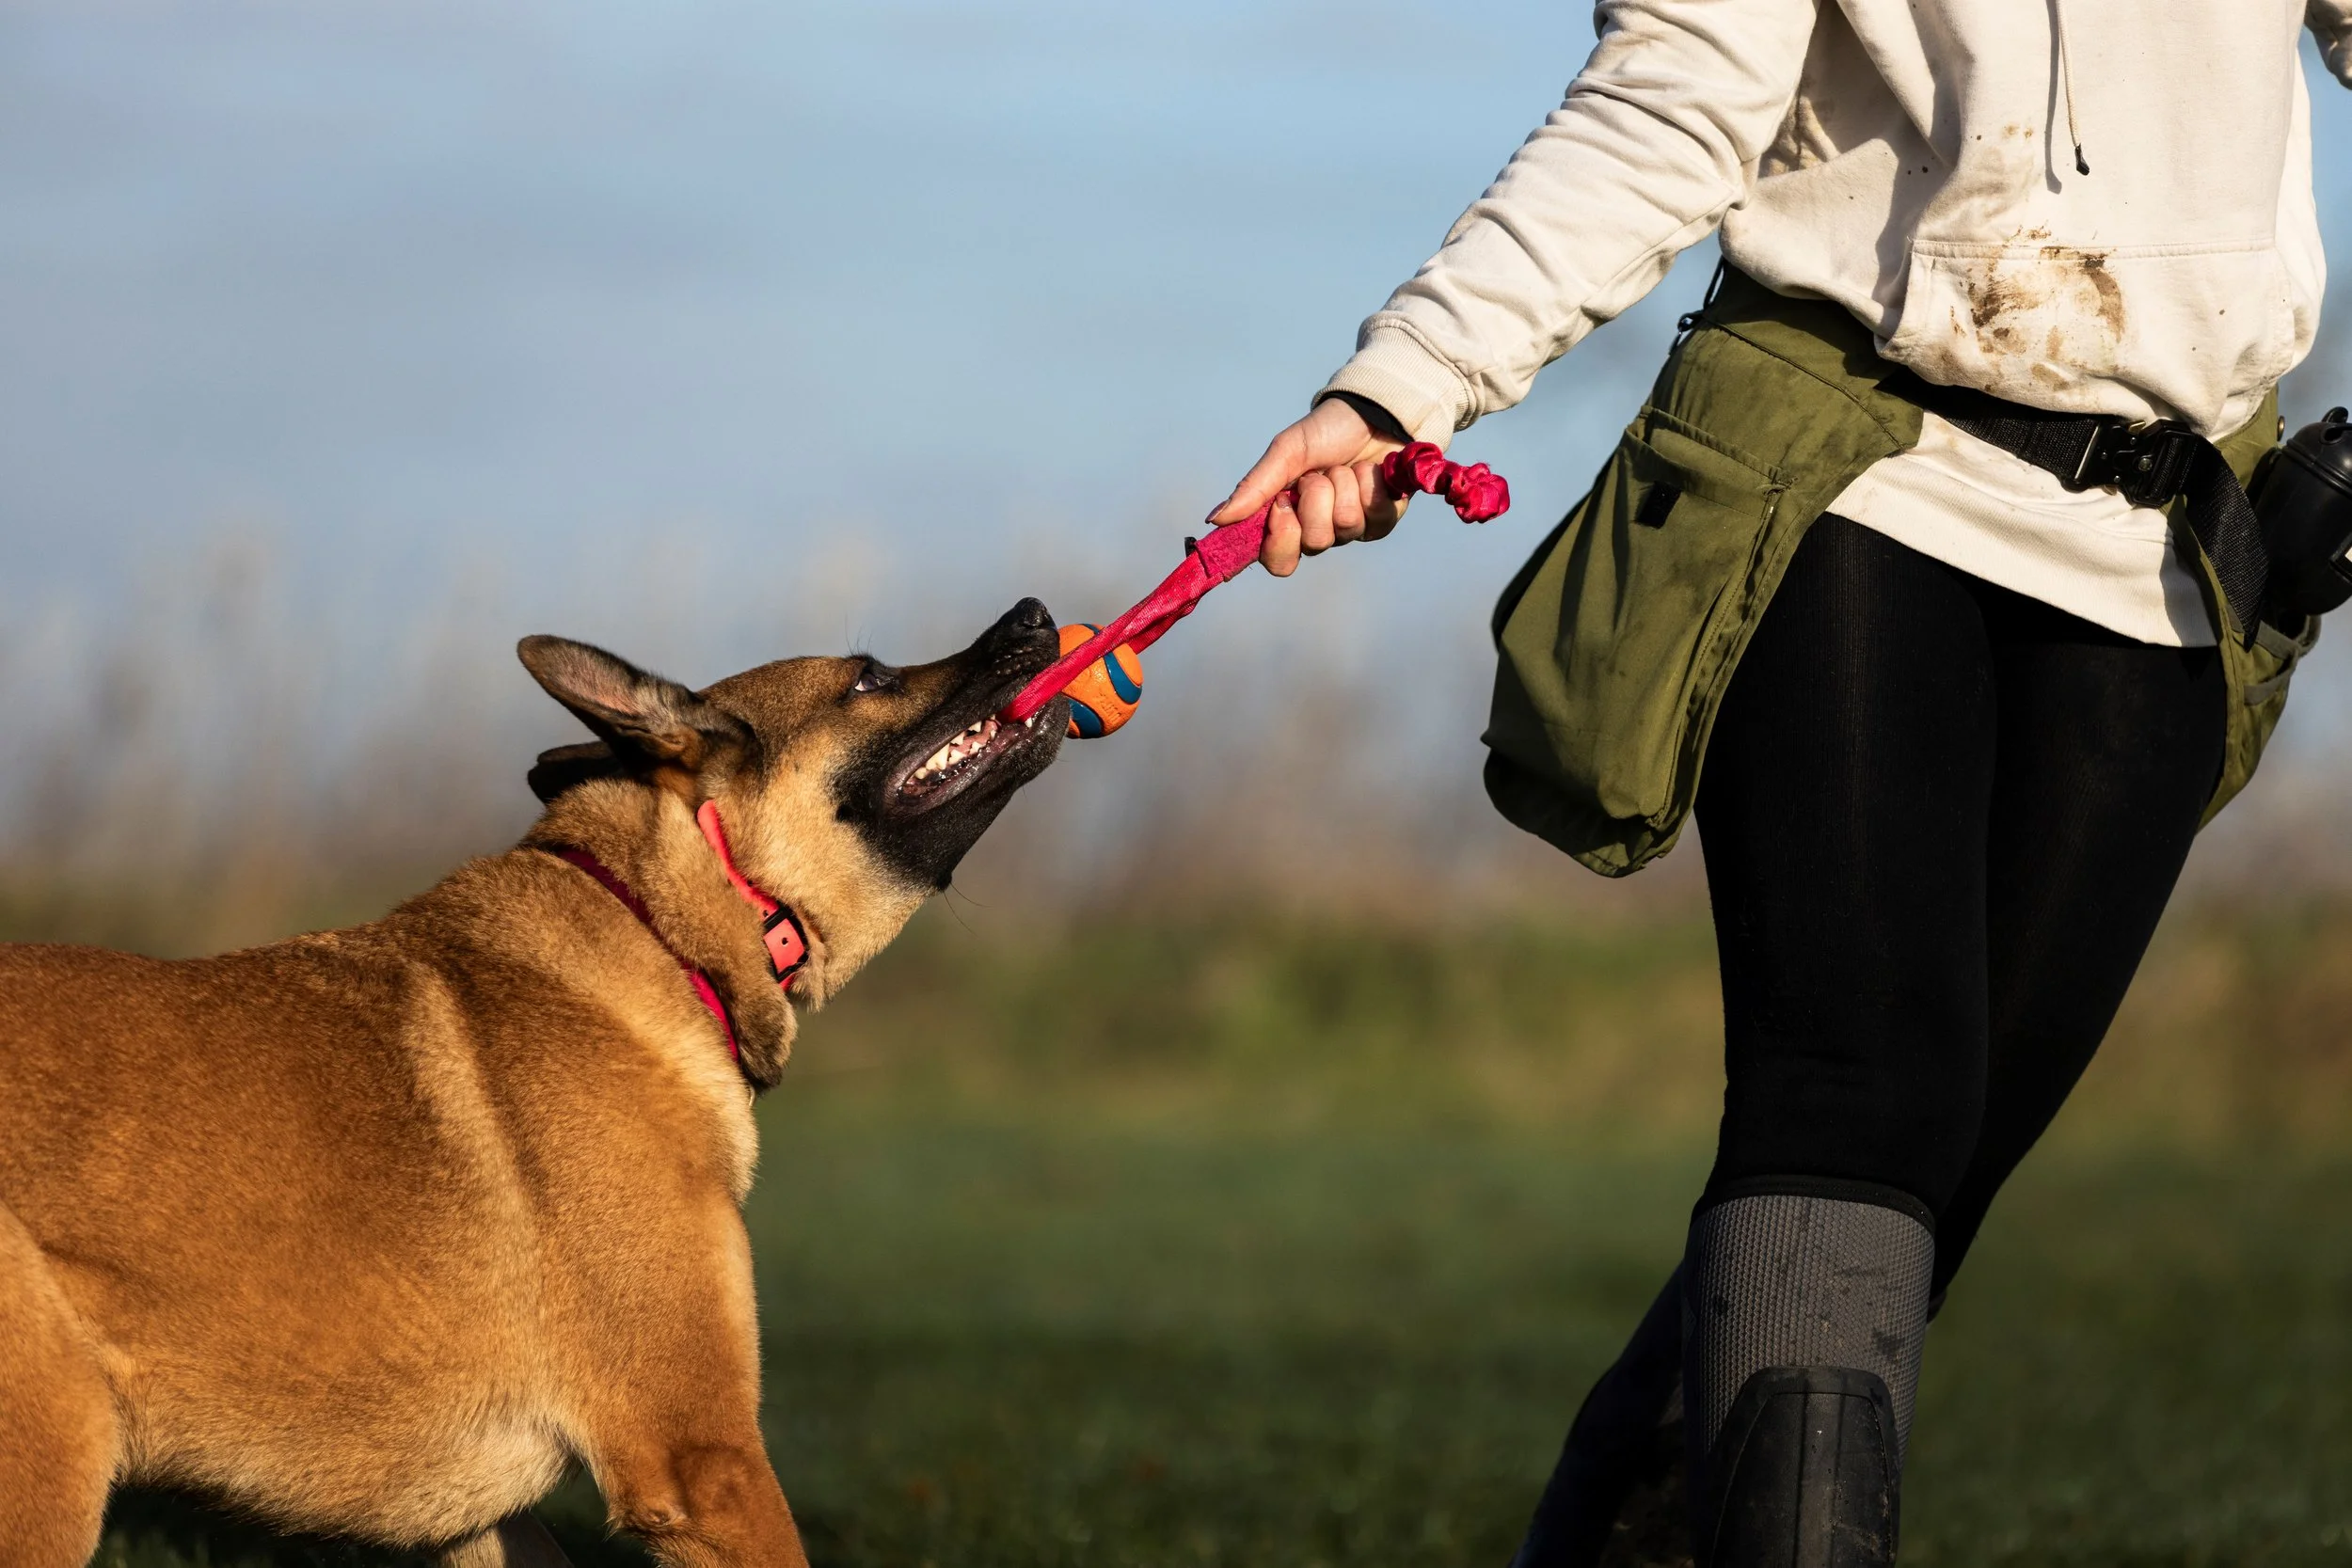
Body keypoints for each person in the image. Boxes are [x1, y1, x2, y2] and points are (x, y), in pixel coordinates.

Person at [1209, 4, 2352, 1564]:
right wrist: (1400, 386)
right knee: (1857, 1108)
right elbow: (1670, 104)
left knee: (1930, 1170)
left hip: (2161, 537)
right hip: (1847, 470)